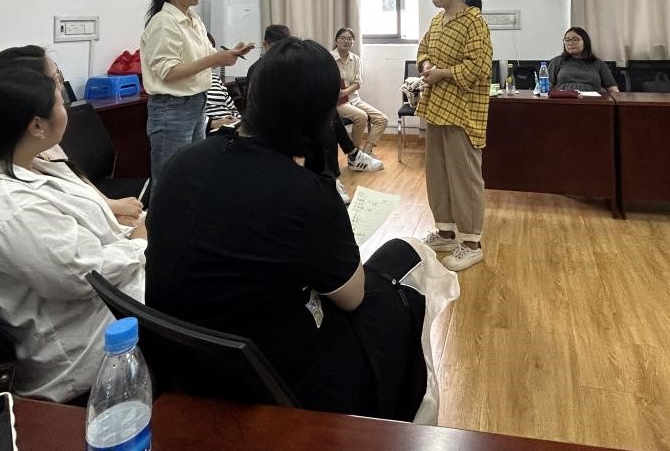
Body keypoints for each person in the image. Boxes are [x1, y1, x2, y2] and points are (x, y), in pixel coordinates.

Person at [145, 37, 447, 420]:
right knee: (409, 257)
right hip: (272, 386)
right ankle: (415, 420)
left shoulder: (182, 163)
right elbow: (352, 297)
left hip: (182, 369)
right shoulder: (306, 194)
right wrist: (322, 185)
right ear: (322, 116)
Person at [0, 66, 147, 403]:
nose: (66, 107)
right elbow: (83, 275)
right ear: (36, 125)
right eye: (60, 101)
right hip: (87, 347)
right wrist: (139, 243)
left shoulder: (23, 165)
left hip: (98, 299)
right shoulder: (8, 208)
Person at [0, 45, 143, 226]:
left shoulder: (37, 147)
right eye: (56, 80)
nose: (62, 88)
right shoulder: (17, 201)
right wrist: (133, 229)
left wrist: (108, 207)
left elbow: (74, 178)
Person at [140, 0, 252, 185]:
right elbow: (168, 72)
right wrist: (216, 58)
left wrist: (230, 53)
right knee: (171, 177)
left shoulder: (194, 19)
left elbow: (207, 57)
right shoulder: (164, 22)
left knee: (192, 172)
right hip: (172, 107)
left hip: (197, 103)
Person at [416, 0, 493, 272]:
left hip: (463, 110)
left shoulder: (474, 22)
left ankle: (471, 243)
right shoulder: (437, 20)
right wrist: (426, 66)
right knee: (437, 173)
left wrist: (443, 73)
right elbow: (423, 50)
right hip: (436, 107)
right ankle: (445, 233)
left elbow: (479, 67)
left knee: (464, 176)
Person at [263, 24, 362, 201]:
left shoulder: (292, 66)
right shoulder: (260, 69)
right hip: (278, 121)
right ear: (266, 45)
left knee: (324, 119)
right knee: (323, 124)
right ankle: (342, 164)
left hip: (301, 113)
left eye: (285, 46)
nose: (281, 52)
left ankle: (333, 175)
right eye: (277, 46)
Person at [332, 27, 390, 161]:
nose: (346, 41)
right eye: (342, 38)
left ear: (353, 42)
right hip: (338, 102)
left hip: (354, 99)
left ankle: (367, 152)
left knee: (382, 119)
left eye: (350, 39)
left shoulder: (356, 59)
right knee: (361, 116)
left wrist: (345, 92)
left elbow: (358, 82)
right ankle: (354, 155)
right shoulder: (329, 58)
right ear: (336, 40)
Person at [547, 27, 619, 93]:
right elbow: (546, 88)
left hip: (592, 101)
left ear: (585, 42)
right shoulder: (557, 62)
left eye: (575, 40)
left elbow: (613, 91)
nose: (570, 43)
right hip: (563, 100)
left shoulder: (598, 63)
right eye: (567, 40)